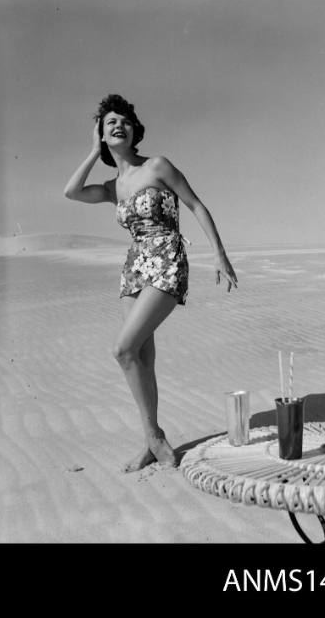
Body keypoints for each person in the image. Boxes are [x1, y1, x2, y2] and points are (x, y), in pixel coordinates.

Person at [64, 94, 238, 472]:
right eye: (110, 122)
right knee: (141, 357)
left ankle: (155, 437)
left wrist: (219, 255)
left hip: (166, 259)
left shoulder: (158, 166)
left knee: (123, 349)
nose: (118, 125)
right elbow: (72, 192)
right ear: (101, 132)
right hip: (134, 267)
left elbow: (196, 205)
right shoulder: (113, 188)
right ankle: (150, 442)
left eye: (124, 120)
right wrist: (94, 151)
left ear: (134, 129)